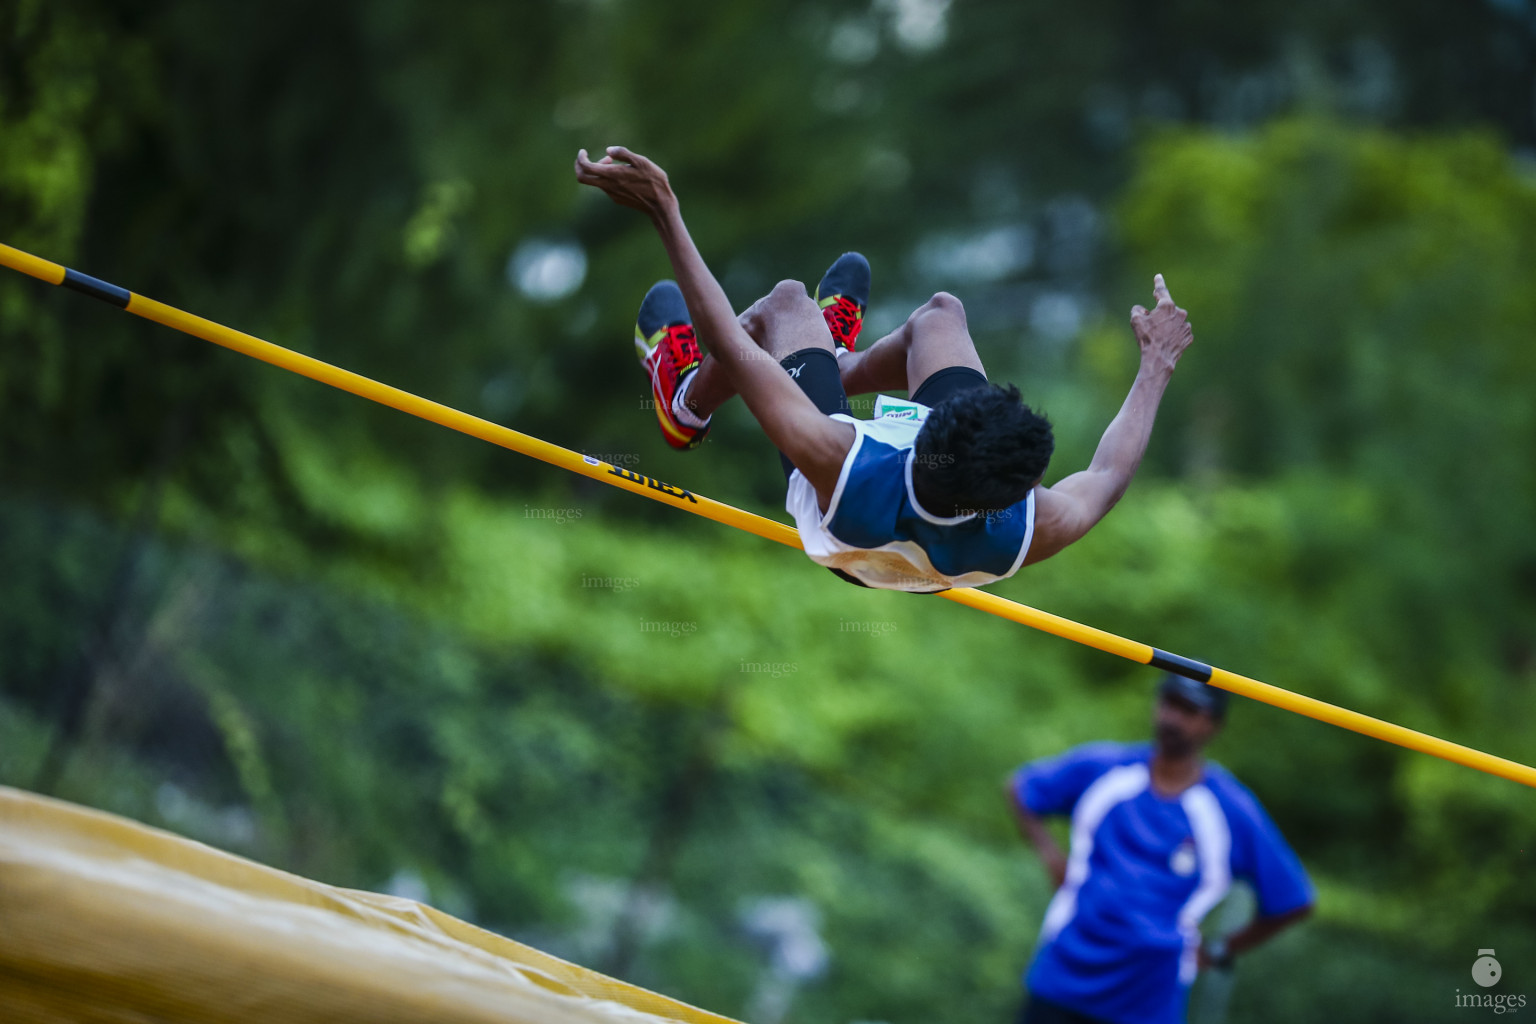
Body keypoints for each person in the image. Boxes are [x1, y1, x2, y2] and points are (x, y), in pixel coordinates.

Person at [574, 145, 1194, 592]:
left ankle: (683, 404)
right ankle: (826, 363)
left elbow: (734, 347)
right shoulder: (1029, 520)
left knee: (785, 303)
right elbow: (1109, 472)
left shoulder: (839, 456)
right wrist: (1156, 364)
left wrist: (666, 214)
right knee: (940, 317)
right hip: (941, 545)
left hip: (848, 527)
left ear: (923, 431)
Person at [1005, 674, 1314, 1024]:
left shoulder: (1229, 810)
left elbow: (1293, 899)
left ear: (1212, 724)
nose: (1173, 718)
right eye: (1168, 703)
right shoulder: (1105, 769)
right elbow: (1021, 788)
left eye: (1189, 710)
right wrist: (1051, 856)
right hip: (1064, 976)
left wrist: (1218, 949)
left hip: (1148, 998)